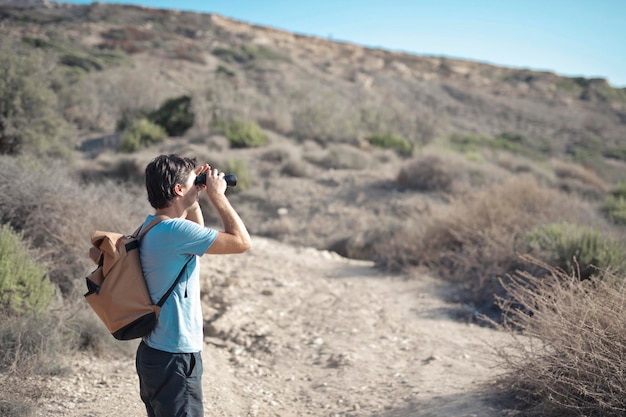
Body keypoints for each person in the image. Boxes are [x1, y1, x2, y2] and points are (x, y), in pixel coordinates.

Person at [136, 154, 251, 417]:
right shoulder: (175, 232)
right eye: (192, 182)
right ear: (178, 189)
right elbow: (242, 242)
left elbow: (196, 234)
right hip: (174, 355)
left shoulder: (153, 226)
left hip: (154, 353)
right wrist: (218, 196)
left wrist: (194, 194)